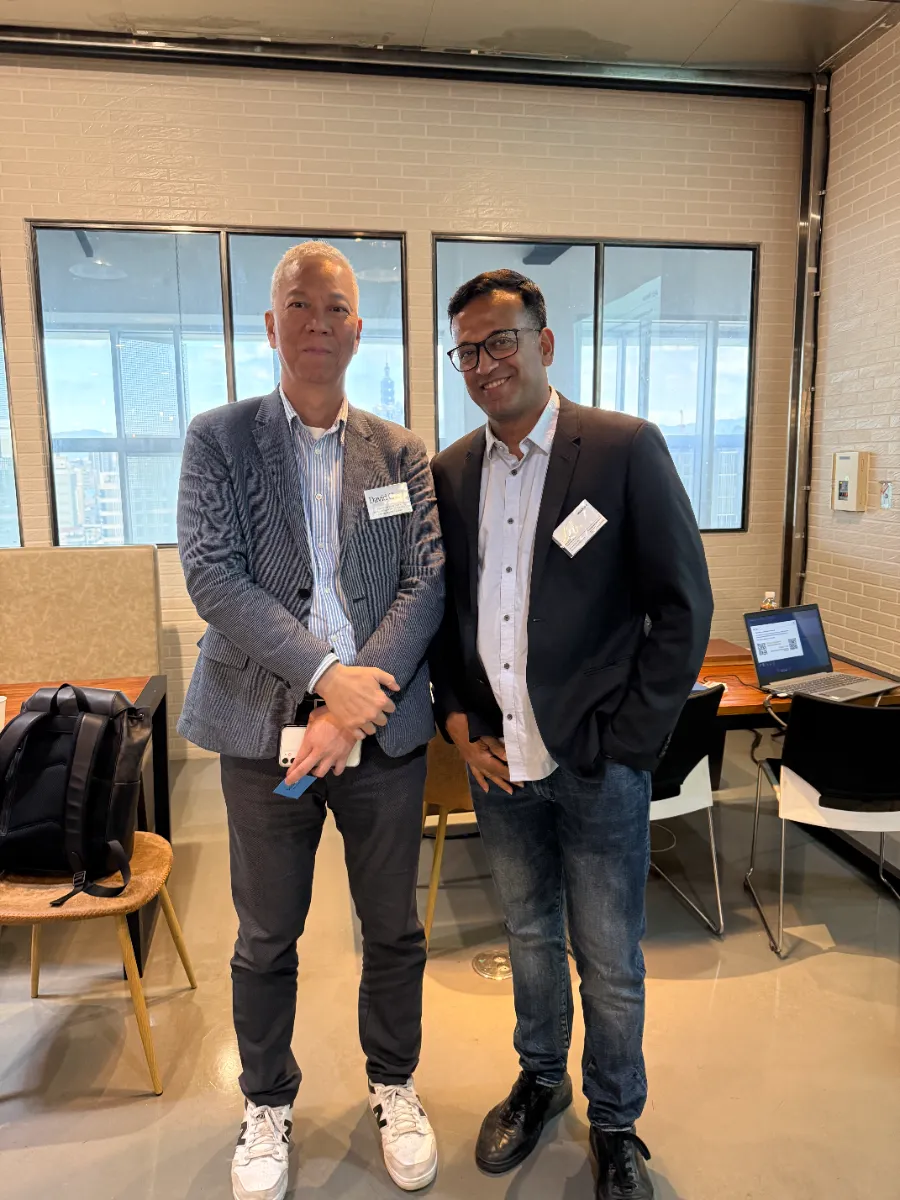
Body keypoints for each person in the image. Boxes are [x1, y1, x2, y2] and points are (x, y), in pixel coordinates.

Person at [430, 270, 713, 1200]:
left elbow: (683, 606)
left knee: (610, 960)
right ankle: (541, 1078)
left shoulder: (623, 449)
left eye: (500, 341)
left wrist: (632, 742)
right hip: (497, 761)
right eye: (467, 351)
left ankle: (617, 1122)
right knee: (527, 936)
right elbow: (446, 615)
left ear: (544, 344)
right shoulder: (452, 472)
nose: (485, 363)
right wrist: (456, 719)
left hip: (596, 762)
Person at [177, 242, 444, 1200]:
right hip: (263, 731)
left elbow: (427, 582)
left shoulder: (401, 452)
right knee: (265, 936)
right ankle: (266, 1102)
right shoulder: (219, 439)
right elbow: (213, 575)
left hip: (380, 732)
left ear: (359, 330)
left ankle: (394, 1084)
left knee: (394, 929)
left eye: (335, 308)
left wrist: (353, 703)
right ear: (271, 324)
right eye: (299, 304)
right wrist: (327, 677)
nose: (317, 323)